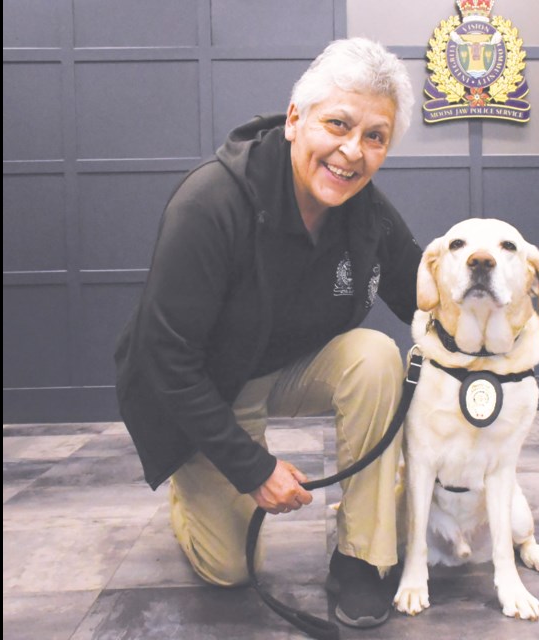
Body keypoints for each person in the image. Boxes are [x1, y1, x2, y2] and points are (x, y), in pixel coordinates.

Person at [114, 38, 421, 629]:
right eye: (338, 124)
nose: (352, 151)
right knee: (228, 569)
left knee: (378, 355)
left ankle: (363, 558)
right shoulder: (212, 202)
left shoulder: (368, 211)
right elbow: (165, 357)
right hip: (204, 385)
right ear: (294, 119)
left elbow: (421, 294)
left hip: (286, 365)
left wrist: (493, 301)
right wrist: (252, 467)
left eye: (375, 136)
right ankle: (192, 489)